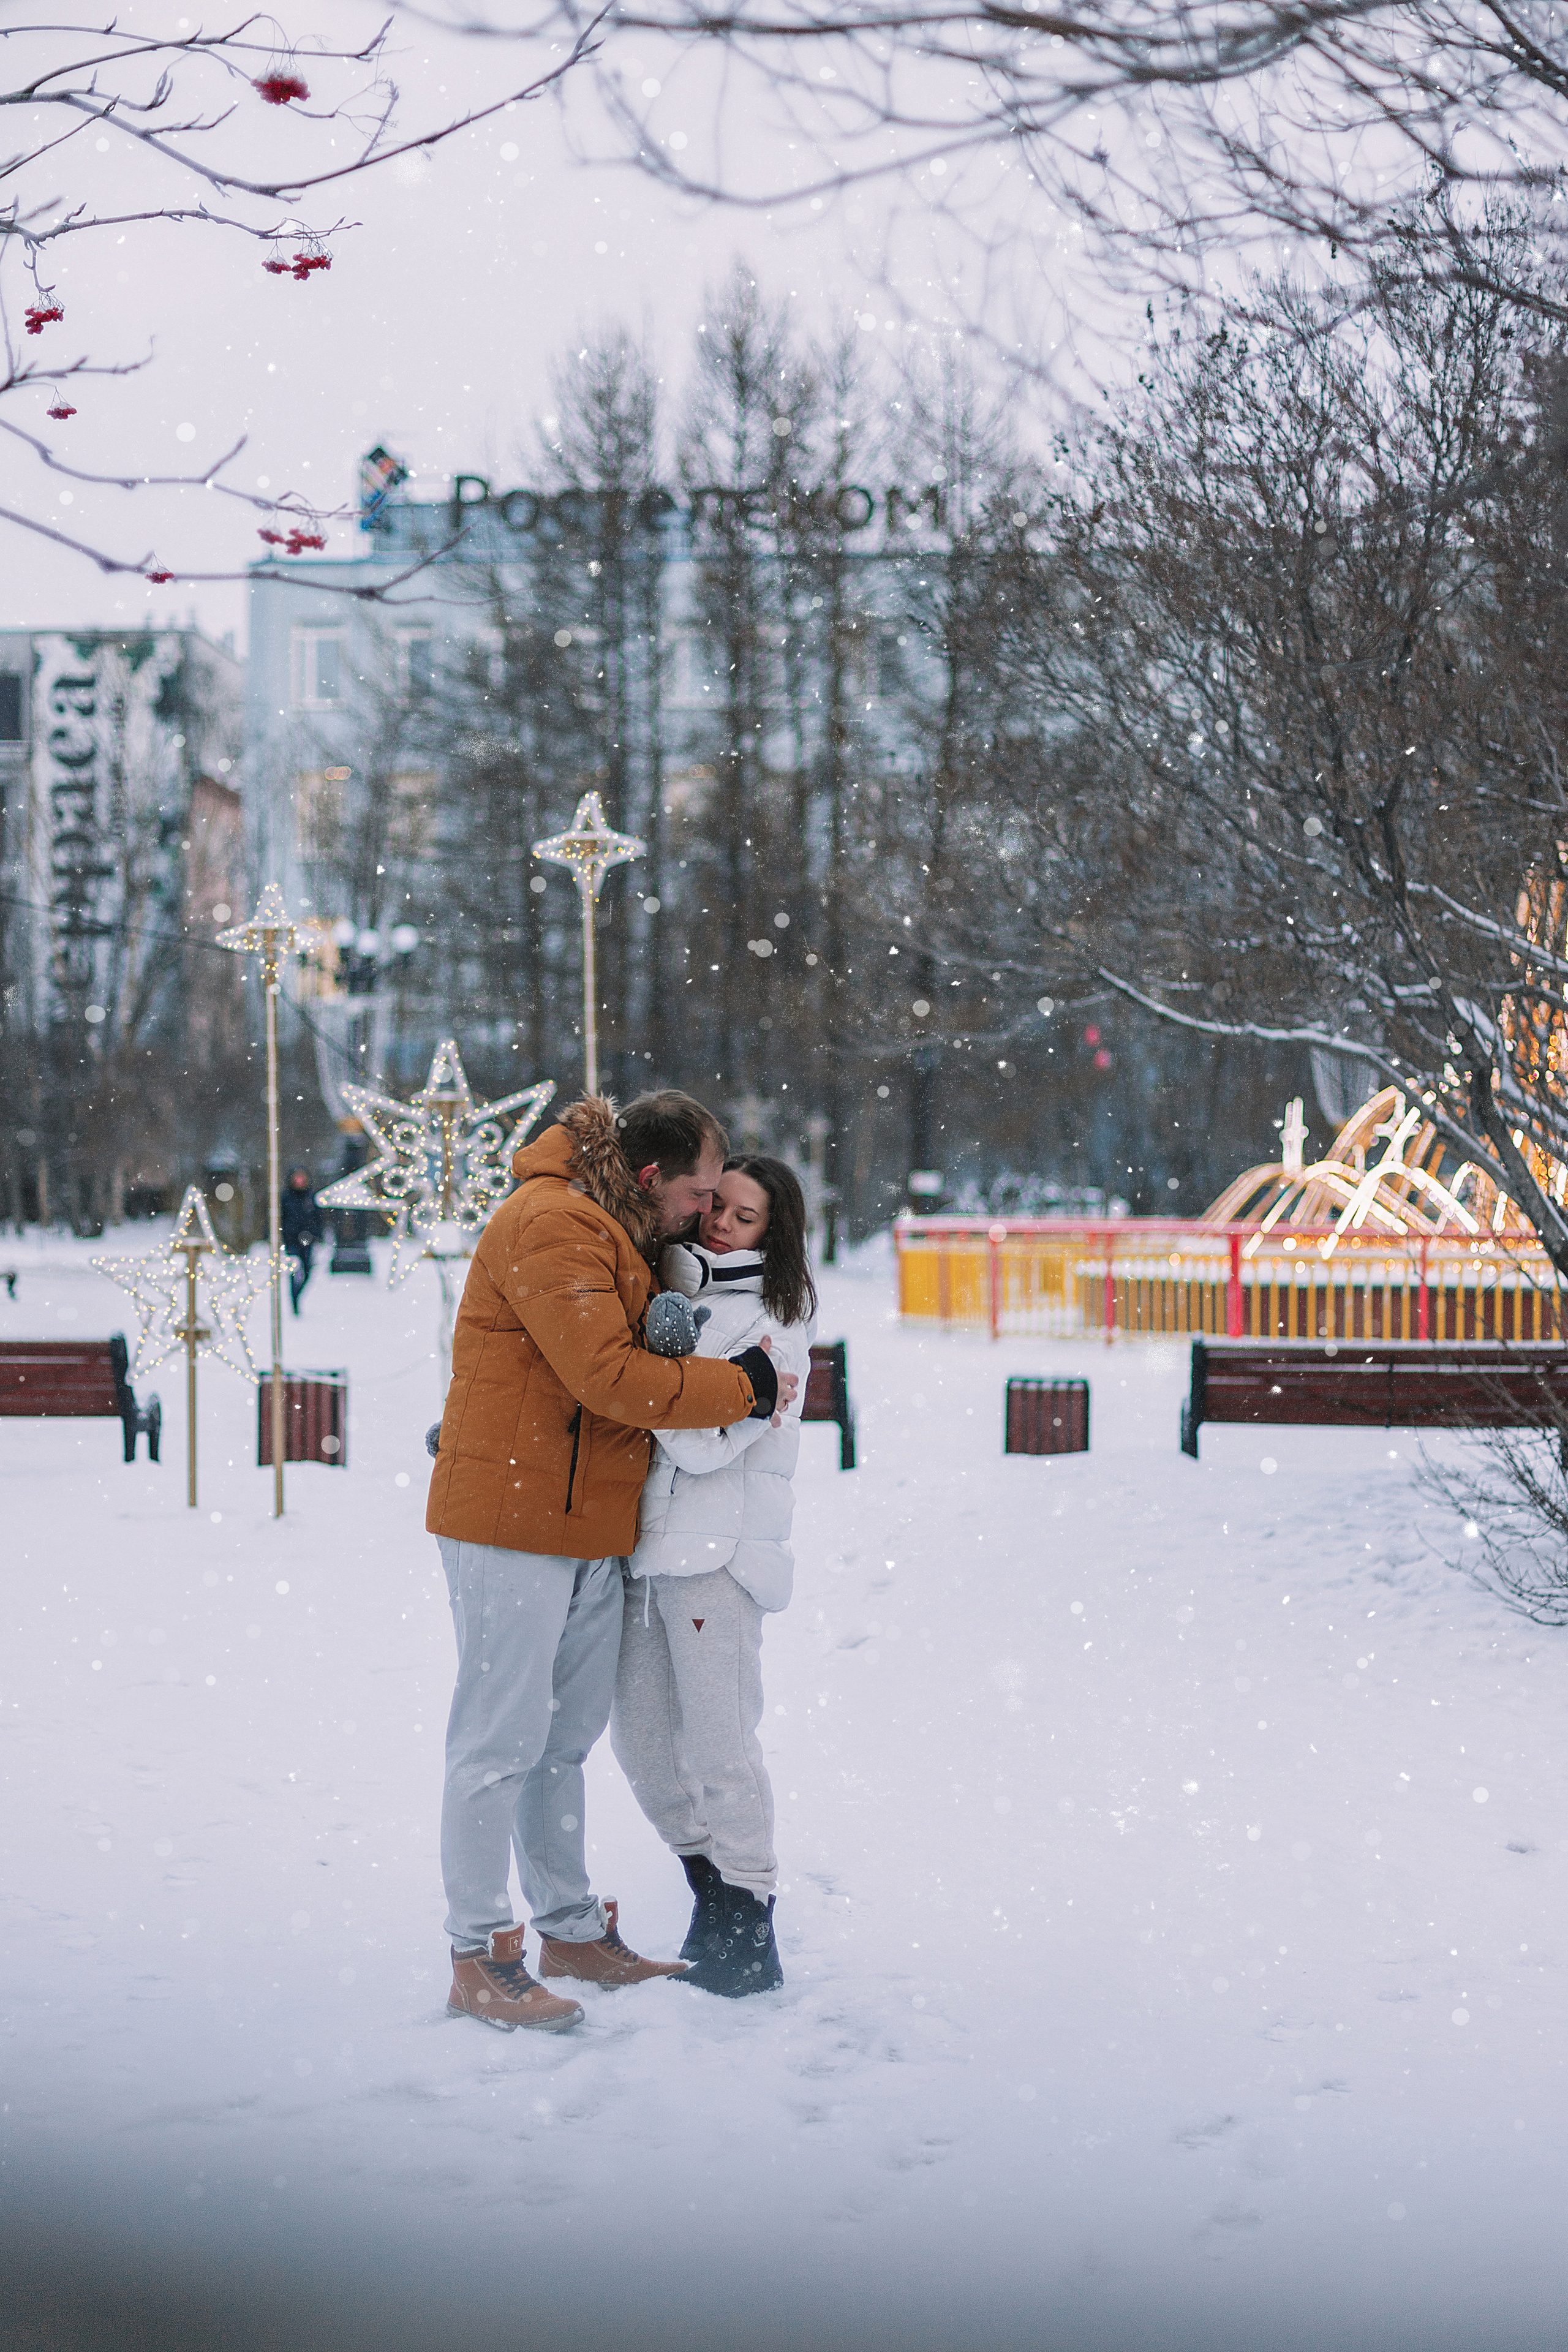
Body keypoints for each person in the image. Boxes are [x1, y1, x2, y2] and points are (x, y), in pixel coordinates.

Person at [424, 1091, 797, 2035]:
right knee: (498, 1742)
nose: (703, 1212)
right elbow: (608, 1377)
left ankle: (567, 1928)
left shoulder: (620, 1229)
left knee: (559, 1744)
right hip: (515, 1515)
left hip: (586, 1524)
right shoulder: (554, 1222)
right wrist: (744, 1386)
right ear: (647, 1177)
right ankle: (479, 1952)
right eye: (699, 1193)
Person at [611, 1155, 817, 1998]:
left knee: (721, 1745)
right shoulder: (677, 1293)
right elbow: (666, 1408)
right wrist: (672, 1377)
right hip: (646, 1558)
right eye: (718, 1207)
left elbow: (700, 1441)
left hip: (717, 1563)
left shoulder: (776, 1324)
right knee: (644, 1746)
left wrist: (657, 1377)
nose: (720, 1224)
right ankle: (710, 1890)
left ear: (774, 1232)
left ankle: (750, 1911)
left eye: (744, 1216)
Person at [280, 1167, 321, 1314]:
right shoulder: (286, 1197)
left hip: (307, 1239)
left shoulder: (311, 1197)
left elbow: (318, 1218)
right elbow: (281, 1218)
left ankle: (298, 1295)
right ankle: (294, 1301)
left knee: (308, 1270)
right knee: (293, 1271)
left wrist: (316, 1234)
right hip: (291, 1239)